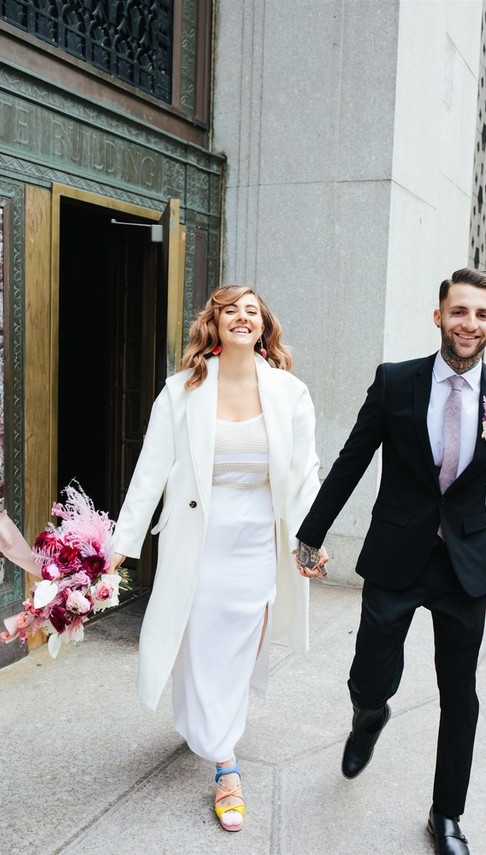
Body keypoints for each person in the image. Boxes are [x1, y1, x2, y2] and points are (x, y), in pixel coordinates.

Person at [296, 268, 486, 855]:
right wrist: (311, 534)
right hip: (396, 555)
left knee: (461, 694)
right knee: (368, 675)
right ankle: (370, 715)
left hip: (464, 567)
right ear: (439, 315)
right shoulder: (396, 382)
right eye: (459, 311)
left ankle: (446, 815)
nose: (468, 323)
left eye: (481, 314)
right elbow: (352, 459)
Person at [108, 285, 327, 832]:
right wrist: (120, 547)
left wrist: (311, 539)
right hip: (197, 539)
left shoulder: (289, 392)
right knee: (197, 638)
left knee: (234, 644)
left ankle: (221, 754)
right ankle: (216, 747)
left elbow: (304, 474)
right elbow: (149, 472)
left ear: (263, 326)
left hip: (256, 541)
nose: (243, 318)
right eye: (232, 310)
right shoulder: (181, 391)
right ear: (214, 322)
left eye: (252, 311)